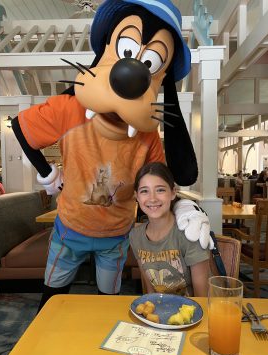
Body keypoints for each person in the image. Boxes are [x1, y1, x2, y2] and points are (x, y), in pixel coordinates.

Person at [11, 0, 213, 311]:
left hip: (116, 235)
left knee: (109, 303)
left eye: (150, 64)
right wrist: (47, 172)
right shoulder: (69, 109)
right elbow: (21, 127)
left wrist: (184, 205)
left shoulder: (146, 136)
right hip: (70, 228)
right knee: (52, 298)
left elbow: (159, 179)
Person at [129, 162, 210, 297]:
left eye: (160, 190)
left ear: (173, 193)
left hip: (192, 312)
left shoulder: (190, 233)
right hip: (160, 311)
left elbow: (202, 298)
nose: (152, 198)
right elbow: (150, 292)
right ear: (137, 196)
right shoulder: (136, 236)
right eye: (144, 191)